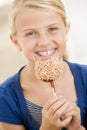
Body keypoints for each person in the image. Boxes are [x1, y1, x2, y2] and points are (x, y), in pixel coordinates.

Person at [0, 0, 87, 130]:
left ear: (66, 31)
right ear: (16, 42)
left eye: (52, 29)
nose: (44, 42)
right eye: (31, 33)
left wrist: (77, 128)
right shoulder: (6, 97)